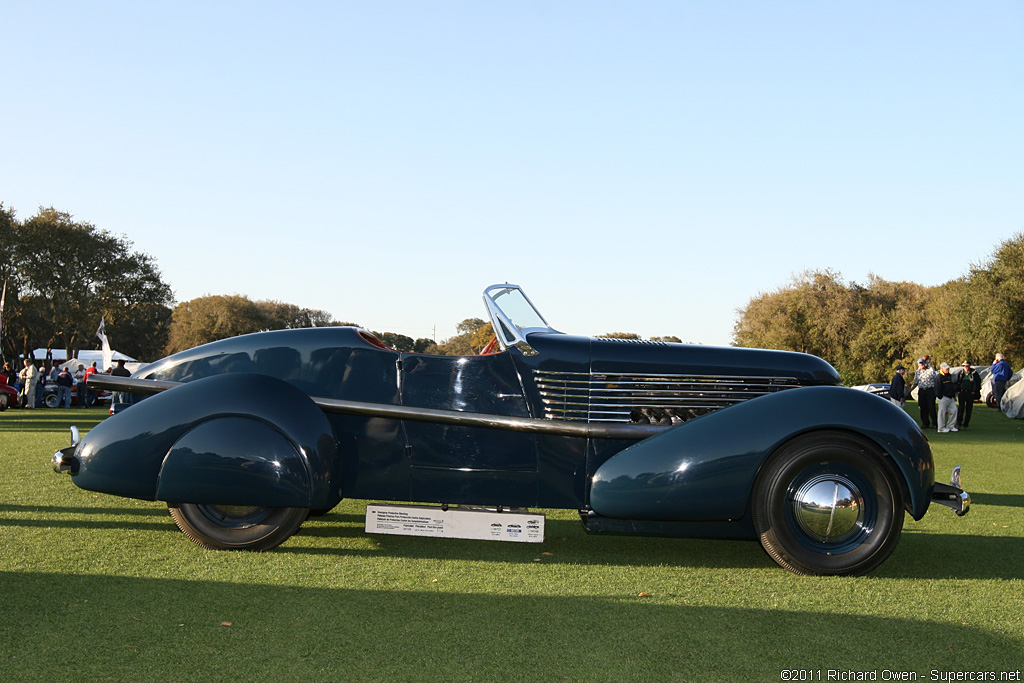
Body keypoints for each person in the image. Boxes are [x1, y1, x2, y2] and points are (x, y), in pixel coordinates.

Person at [910, 358, 938, 429]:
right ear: (918, 364)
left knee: (931, 407)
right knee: (923, 408)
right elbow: (915, 382)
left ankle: (934, 423)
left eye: (922, 363)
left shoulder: (930, 370)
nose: (921, 365)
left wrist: (928, 363)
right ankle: (925, 423)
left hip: (930, 390)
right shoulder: (917, 372)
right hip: (922, 391)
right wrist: (909, 391)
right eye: (920, 363)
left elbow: (934, 376)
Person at [956, 361, 981, 429]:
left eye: (967, 366)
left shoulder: (974, 373)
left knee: (969, 409)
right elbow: (957, 382)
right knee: (961, 408)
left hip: (970, 393)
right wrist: (958, 391)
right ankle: (959, 423)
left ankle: (966, 424)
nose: (966, 367)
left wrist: (975, 391)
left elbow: (978, 382)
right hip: (962, 392)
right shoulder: (960, 373)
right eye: (964, 366)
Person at [936, 362, 958, 432]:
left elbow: (951, 386)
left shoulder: (949, 376)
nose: (947, 369)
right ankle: (941, 428)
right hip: (943, 397)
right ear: (942, 368)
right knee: (942, 413)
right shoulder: (939, 377)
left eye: (948, 368)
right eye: (946, 368)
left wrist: (953, 395)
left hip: (950, 397)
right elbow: (937, 388)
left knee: (954, 410)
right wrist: (940, 396)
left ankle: (950, 426)